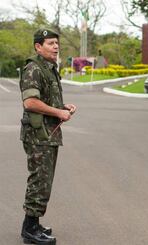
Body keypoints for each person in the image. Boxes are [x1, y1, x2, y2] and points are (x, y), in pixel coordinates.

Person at [19, 29, 77, 245]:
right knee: (39, 181)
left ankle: (33, 223)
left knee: (44, 181)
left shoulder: (48, 68)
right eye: (50, 43)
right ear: (38, 46)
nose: (56, 47)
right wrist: (58, 113)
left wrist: (62, 107)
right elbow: (30, 103)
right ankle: (30, 229)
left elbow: (44, 100)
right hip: (38, 135)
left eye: (56, 43)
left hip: (48, 134)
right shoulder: (34, 69)